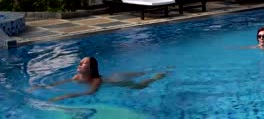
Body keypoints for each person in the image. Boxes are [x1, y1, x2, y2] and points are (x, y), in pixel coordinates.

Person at [29, 57, 166, 102]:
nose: (79, 64)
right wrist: (41, 87)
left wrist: (67, 95)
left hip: (115, 81)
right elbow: (60, 82)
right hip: (113, 76)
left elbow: (90, 93)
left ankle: (155, 77)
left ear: (90, 69)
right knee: (135, 74)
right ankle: (149, 72)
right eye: (80, 62)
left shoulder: (96, 81)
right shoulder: (77, 76)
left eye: (83, 63)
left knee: (139, 85)